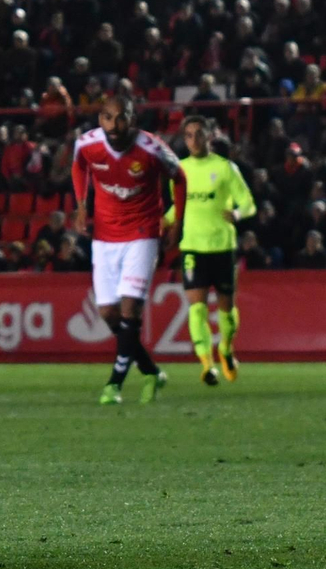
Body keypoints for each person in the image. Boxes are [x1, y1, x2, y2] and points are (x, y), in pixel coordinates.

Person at [72, 94, 185, 405]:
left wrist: (177, 222)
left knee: (129, 309)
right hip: (105, 237)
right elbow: (78, 167)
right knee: (109, 314)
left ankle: (115, 384)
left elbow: (180, 177)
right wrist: (81, 205)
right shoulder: (86, 144)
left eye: (121, 117)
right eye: (108, 117)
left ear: (132, 119)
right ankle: (150, 371)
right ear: (100, 120)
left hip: (142, 233)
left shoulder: (151, 148)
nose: (114, 124)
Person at [169, 116, 255, 385]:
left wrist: (238, 214)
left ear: (209, 136)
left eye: (199, 134)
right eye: (190, 135)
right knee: (197, 309)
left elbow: (249, 203)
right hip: (193, 247)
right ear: (185, 140)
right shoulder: (179, 171)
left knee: (226, 310)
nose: (194, 140)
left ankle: (226, 349)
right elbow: (177, 208)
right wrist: (163, 219)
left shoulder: (226, 168)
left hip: (222, 246)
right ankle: (207, 365)